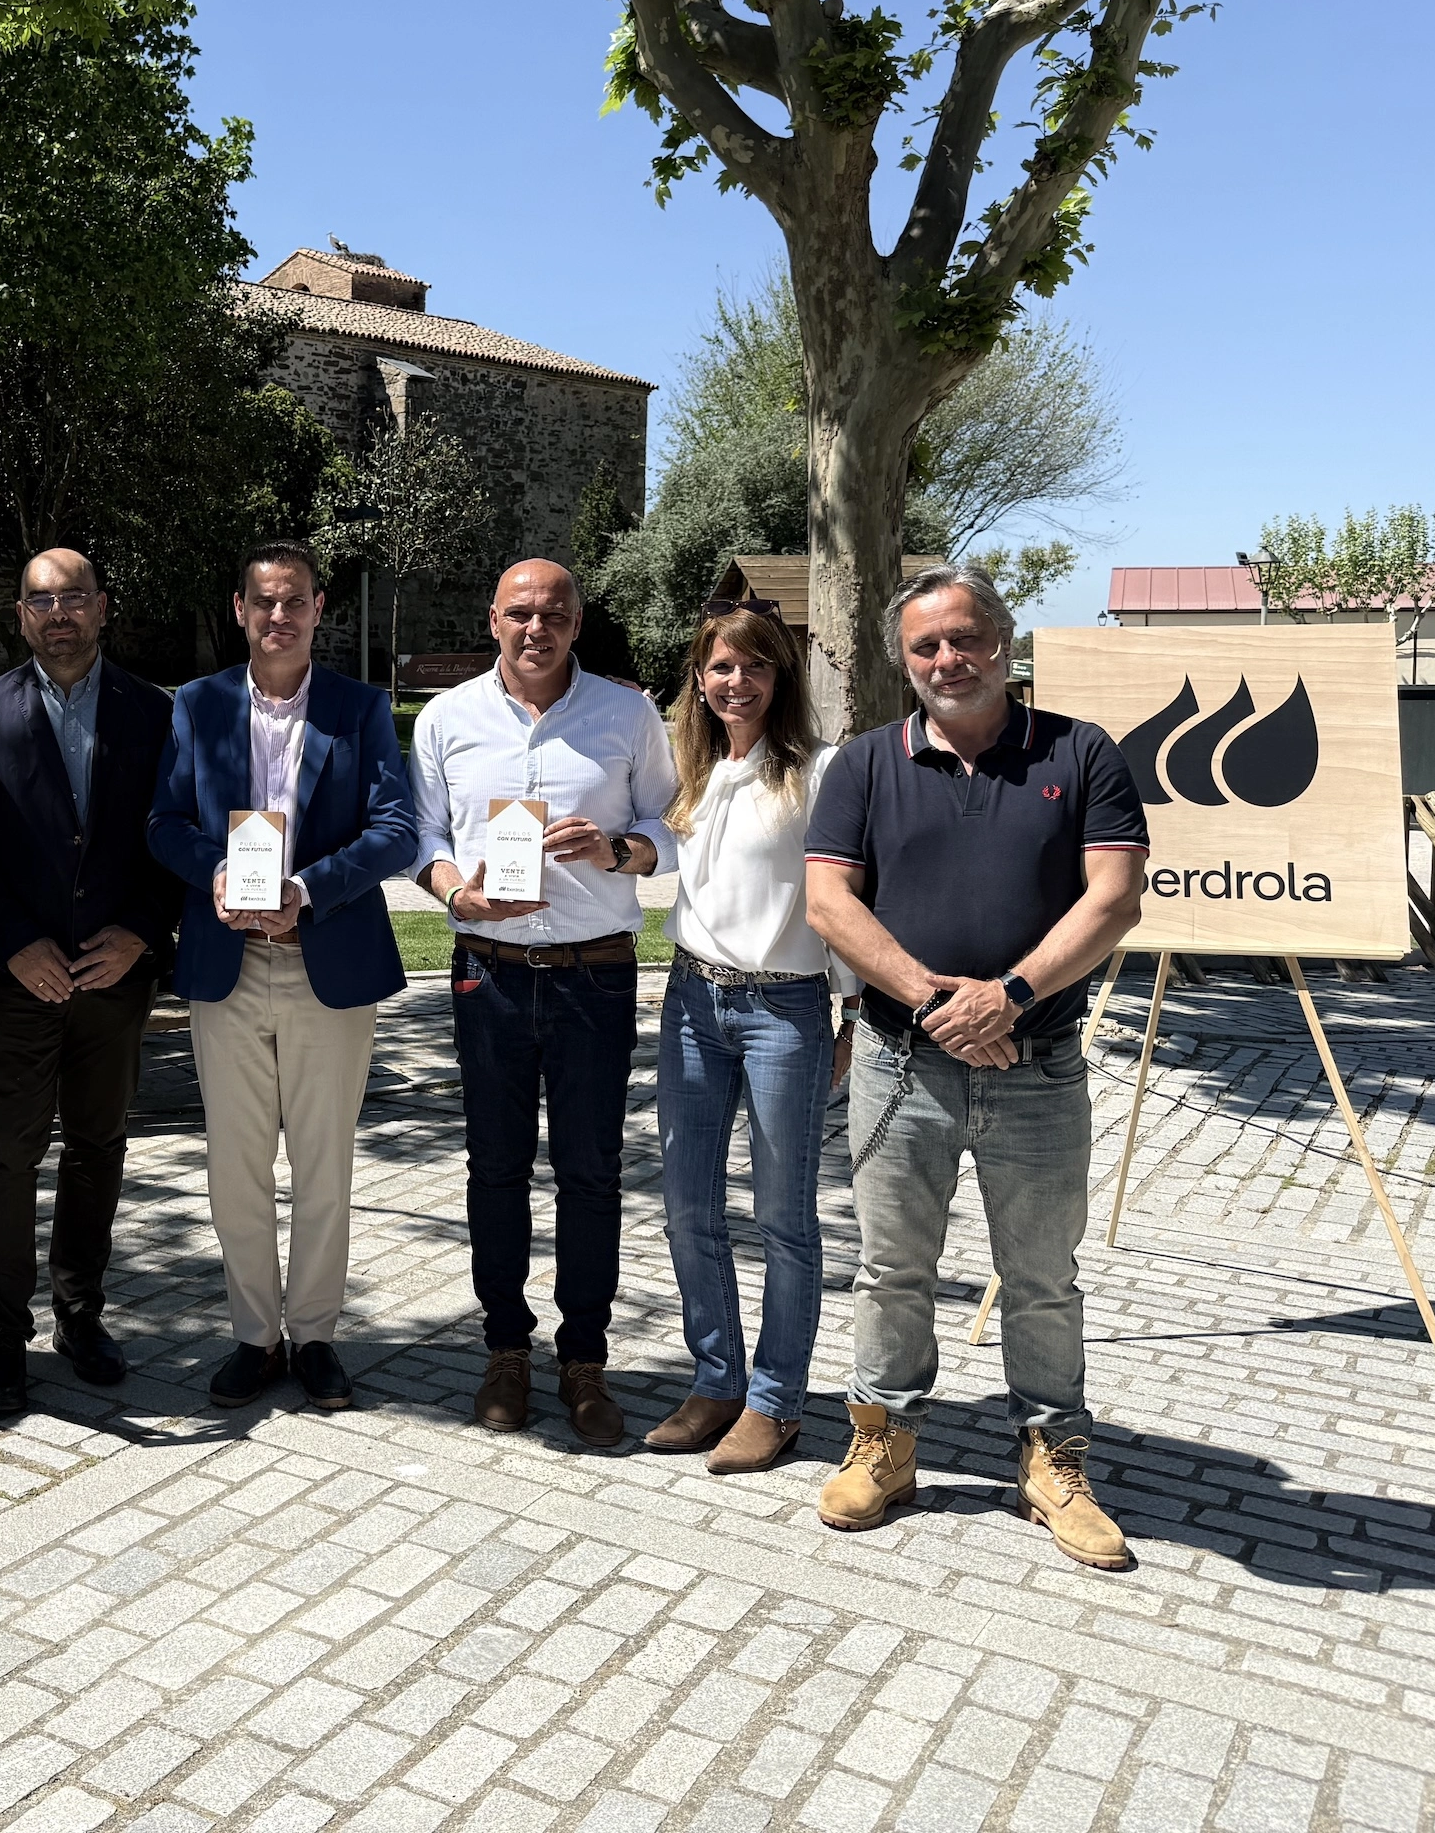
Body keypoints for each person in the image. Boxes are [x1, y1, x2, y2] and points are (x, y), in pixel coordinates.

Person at [805, 562, 1148, 1569]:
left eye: (965, 638)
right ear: (902, 661)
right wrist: (934, 997)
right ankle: (884, 1446)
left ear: (1003, 640)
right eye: (925, 646)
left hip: (1037, 1064)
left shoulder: (1081, 753)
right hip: (900, 1063)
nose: (947, 659)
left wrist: (1013, 996)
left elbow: (1114, 898)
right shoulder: (865, 763)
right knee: (892, 1270)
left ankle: (1053, 1462)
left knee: (1042, 1277)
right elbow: (830, 902)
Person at [409, 559, 675, 1449]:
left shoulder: (626, 712)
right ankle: (505, 1351)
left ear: (577, 620)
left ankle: (585, 1359)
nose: (536, 628)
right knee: (495, 1171)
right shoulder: (448, 718)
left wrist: (620, 847)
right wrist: (458, 895)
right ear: (493, 620)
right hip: (487, 971)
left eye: (553, 614)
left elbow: (673, 825)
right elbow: (425, 837)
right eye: (520, 613)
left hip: (594, 974)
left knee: (592, 1173)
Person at [149, 540, 416, 1414]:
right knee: (235, 1166)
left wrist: (308, 888)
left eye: (294, 600)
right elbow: (163, 823)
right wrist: (213, 872)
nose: (278, 616)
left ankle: (317, 1334)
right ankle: (254, 1335)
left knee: (324, 1163)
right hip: (227, 964)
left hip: (321, 962)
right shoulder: (196, 705)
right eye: (263, 601)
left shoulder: (360, 707)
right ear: (239, 609)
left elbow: (395, 832)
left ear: (318, 606)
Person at [0, 550, 179, 1416]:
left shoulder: (154, 713)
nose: (58, 614)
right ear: (21, 616)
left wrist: (142, 932)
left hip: (115, 977)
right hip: (18, 980)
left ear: (102, 608)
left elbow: (176, 834)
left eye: (73, 597)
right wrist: (13, 944)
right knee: (5, 1156)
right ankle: (4, 1334)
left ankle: (81, 1313)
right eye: (40, 600)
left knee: (97, 1147)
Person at [650, 597, 854, 1473]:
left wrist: (851, 1013)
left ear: (782, 677)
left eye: (757, 666)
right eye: (722, 667)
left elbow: (845, 899)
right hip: (692, 1003)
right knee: (688, 1206)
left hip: (787, 1011)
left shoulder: (818, 771)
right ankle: (717, 1380)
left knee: (782, 1216)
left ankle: (777, 1401)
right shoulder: (688, 775)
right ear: (699, 678)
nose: (738, 682)